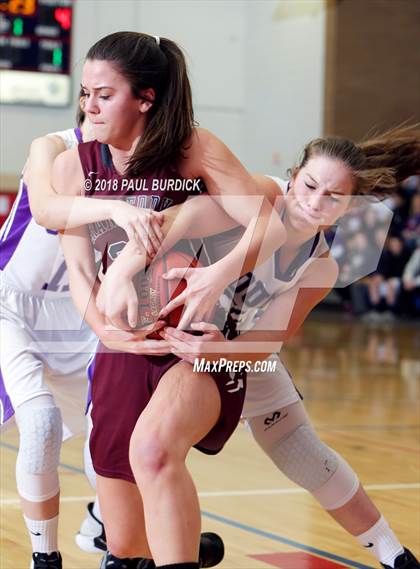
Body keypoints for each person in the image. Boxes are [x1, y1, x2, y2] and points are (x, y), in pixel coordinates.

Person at [103, 127, 420, 569]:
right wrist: (125, 269)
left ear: (350, 204)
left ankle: (394, 554)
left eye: (333, 196)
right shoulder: (257, 195)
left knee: (304, 453)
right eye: (309, 186)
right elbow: (186, 214)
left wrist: (221, 352)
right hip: (171, 336)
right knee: (125, 446)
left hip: (233, 351)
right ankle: (124, 532)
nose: (315, 202)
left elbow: (270, 338)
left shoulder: (321, 266)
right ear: (293, 177)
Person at [55, 31, 285, 569]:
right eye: (85, 91)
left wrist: (217, 275)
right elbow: (79, 272)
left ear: (146, 98)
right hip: (121, 348)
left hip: (194, 342)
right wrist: (104, 329)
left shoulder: (193, 149)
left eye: (104, 93)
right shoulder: (75, 166)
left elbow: (268, 225)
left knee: (154, 451)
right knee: (124, 543)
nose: (89, 104)